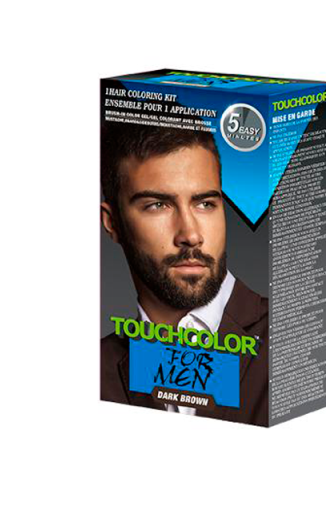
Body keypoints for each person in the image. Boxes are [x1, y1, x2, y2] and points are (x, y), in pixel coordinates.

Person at [100, 122, 268, 425]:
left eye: (205, 203)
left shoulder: (293, 342)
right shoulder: (96, 371)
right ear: (112, 222)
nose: (190, 235)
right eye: (158, 205)